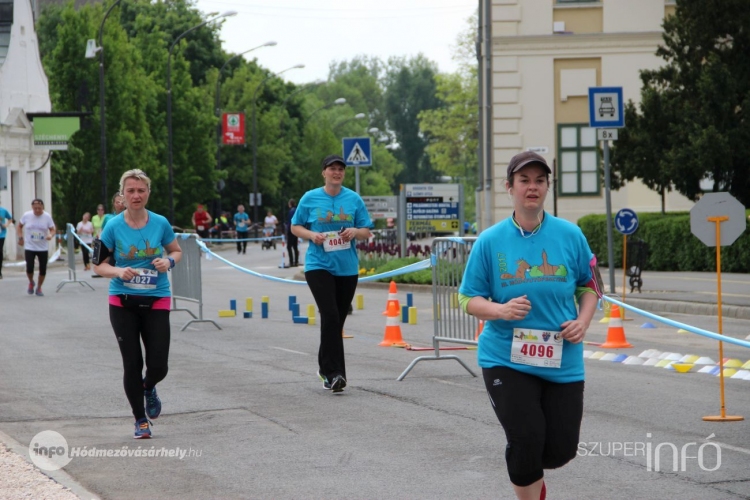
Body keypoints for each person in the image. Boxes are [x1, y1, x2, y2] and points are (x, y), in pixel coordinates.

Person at [458, 151, 597, 500]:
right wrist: (500, 310)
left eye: (539, 180)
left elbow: (590, 286)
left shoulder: (570, 235)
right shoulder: (490, 241)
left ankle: (533, 477)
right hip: (506, 357)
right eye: (524, 180)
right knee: (525, 440)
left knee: (560, 450)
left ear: (548, 187)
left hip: (562, 359)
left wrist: (582, 322)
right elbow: (467, 298)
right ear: (510, 188)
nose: (532, 187)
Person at [93, 169, 182, 439]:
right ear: (123, 194)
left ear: (148, 193)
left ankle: (148, 386)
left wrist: (169, 262)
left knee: (158, 364)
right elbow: (98, 265)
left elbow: (176, 250)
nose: (136, 195)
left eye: (141, 190)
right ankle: (140, 419)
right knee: (132, 362)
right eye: (130, 190)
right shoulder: (112, 226)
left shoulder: (161, 223)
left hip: (156, 297)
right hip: (123, 300)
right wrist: (119, 271)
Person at [291, 154, 373, 393]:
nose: (336, 172)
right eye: (332, 169)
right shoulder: (310, 198)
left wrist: (354, 231)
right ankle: (335, 374)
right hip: (318, 265)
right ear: (324, 172)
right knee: (331, 315)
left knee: (335, 321)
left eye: (340, 169)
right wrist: (311, 235)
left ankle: (324, 368)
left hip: (347, 268)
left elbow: (366, 231)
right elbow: (296, 226)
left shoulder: (353, 199)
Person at [17, 199, 56, 296]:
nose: (37, 210)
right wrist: (20, 237)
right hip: (30, 246)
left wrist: (50, 235)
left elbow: (53, 229)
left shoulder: (47, 217)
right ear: (32, 208)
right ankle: (31, 282)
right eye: (35, 208)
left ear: (43, 207)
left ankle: (39, 287)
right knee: (29, 268)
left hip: (43, 247)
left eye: (39, 208)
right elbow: (19, 226)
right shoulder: (27, 215)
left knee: (43, 269)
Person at [0, 205, 13, 279]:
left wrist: (6, 225)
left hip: (1, 234)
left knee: (0, 252)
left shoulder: (3, 210)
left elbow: (10, 219)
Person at [285, 199, 299, 267]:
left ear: (290, 204)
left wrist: (288, 229)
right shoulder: (296, 210)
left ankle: (291, 262)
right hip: (296, 230)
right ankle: (296, 261)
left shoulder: (291, 211)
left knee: (289, 246)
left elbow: (290, 221)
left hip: (291, 230)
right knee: (295, 246)